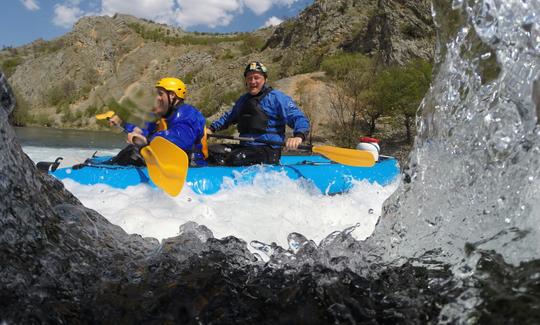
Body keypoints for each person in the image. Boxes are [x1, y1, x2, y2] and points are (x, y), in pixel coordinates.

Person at [207, 61, 310, 166]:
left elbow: (298, 117)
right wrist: (210, 129)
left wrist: (298, 136)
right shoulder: (243, 100)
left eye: (256, 78)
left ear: (265, 79)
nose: (252, 81)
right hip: (245, 147)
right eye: (249, 78)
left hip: (268, 150)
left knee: (236, 158)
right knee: (212, 151)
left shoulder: (277, 98)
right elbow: (228, 117)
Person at [107, 77, 207, 166]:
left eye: (160, 94)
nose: (156, 98)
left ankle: (110, 168)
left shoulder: (189, 115)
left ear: (172, 95)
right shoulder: (159, 114)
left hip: (193, 165)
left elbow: (180, 138)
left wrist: (148, 140)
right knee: (131, 150)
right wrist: (123, 122)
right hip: (167, 159)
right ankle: (108, 166)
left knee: (133, 153)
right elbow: (142, 127)